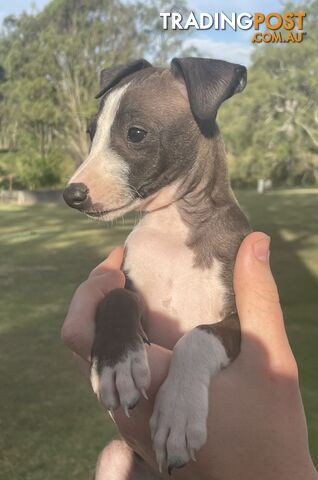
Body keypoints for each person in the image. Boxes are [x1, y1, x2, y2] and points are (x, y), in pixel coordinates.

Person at [61, 232, 318, 480]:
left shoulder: (224, 240)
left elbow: (240, 329)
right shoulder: (143, 244)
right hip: (141, 462)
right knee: (113, 460)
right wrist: (116, 318)